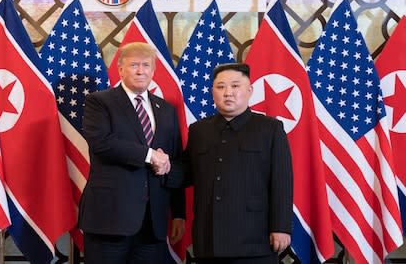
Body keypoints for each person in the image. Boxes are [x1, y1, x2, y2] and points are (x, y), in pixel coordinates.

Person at [78, 42, 185, 264]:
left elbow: (173, 162)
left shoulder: (166, 110)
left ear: (154, 70)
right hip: (109, 220)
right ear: (120, 69)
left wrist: (179, 213)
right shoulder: (100, 102)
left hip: (152, 224)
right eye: (134, 65)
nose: (140, 71)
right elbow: (102, 143)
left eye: (146, 65)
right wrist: (150, 155)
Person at [183, 63, 293, 264]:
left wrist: (281, 226)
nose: (228, 93)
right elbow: (184, 174)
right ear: (212, 92)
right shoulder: (199, 130)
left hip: (254, 239)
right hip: (209, 239)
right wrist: (155, 160)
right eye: (221, 87)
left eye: (235, 86)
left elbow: (282, 181)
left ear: (249, 90)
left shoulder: (270, 129)